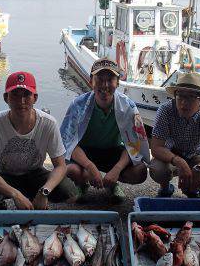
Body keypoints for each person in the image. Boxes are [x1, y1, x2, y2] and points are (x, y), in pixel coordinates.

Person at [0, 71, 76, 210]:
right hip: (5, 174)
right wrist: (15, 194)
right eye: (15, 95)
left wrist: (44, 191)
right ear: (6, 98)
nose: (21, 101)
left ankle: (36, 198)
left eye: (26, 95)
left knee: (69, 191)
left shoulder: (48, 123)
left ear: (35, 98)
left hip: (35, 172)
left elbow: (60, 166)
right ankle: (2, 200)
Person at [60, 58, 149, 203]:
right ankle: (82, 183)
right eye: (99, 79)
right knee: (70, 169)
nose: (105, 85)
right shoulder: (78, 104)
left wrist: (117, 169)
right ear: (91, 81)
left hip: (112, 151)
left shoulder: (129, 107)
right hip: (85, 153)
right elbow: (68, 142)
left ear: (118, 82)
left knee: (140, 171)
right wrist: (90, 166)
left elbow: (134, 143)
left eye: (110, 79)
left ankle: (112, 183)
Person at [150, 72, 200, 197]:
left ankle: (193, 189)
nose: (183, 103)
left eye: (190, 97)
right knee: (158, 169)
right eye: (180, 96)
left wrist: (199, 168)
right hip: (171, 152)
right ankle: (165, 187)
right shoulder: (165, 110)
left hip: (198, 153)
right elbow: (156, 148)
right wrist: (179, 161)